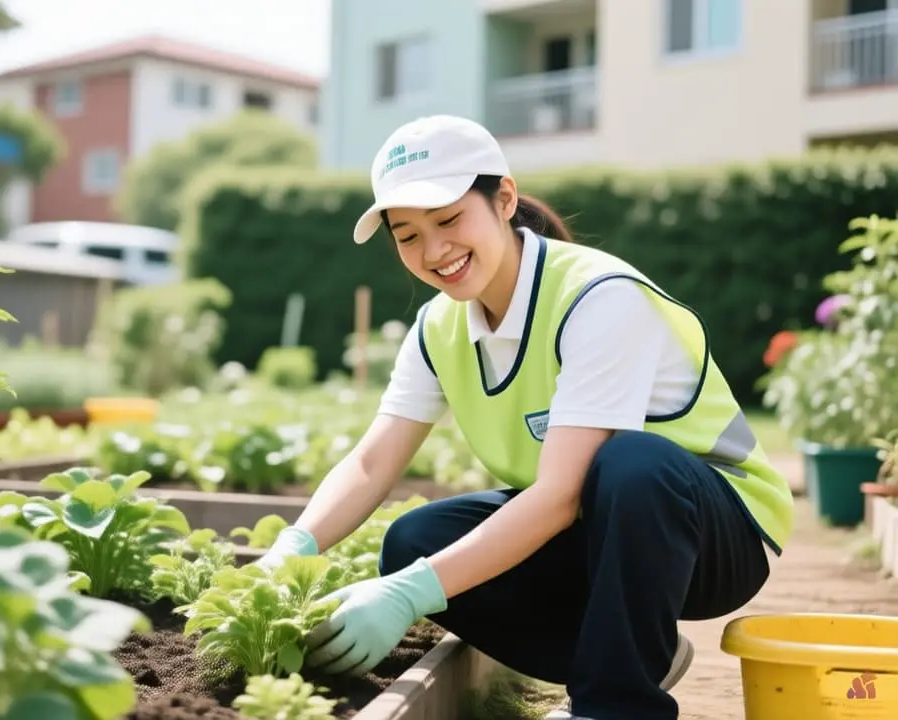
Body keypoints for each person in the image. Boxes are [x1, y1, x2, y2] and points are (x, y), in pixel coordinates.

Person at [256, 115, 795, 720]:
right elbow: (373, 460)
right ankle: (637, 655)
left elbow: (562, 494)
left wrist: (410, 596)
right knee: (415, 541)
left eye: (449, 219)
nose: (434, 251)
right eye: (407, 235)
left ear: (504, 199)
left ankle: (614, 704)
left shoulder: (598, 295)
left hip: (712, 531)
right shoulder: (439, 327)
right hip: (596, 529)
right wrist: (293, 546)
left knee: (632, 462)